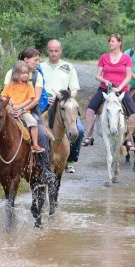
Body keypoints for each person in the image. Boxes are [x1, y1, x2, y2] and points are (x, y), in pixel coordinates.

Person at [0, 47, 54, 182]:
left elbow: (35, 99)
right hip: (10, 109)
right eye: (35, 60)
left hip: (30, 109)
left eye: (38, 60)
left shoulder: (37, 76)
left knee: (42, 133)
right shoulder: (10, 74)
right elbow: (5, 96)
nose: (37, 63)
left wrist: (22, 110)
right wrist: (11, 109)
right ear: (26, 60)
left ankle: (44, 167)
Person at [82, 34, 135, 149]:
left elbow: (128, 77)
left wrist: (119, 88)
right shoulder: (104, 57)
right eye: (109, 41)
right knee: (89, 110)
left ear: (119, 43)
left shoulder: (126, 58)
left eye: (112, 41)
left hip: (122, 89)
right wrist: (105, 81)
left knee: (133, 114)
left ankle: (128, 138)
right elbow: (98, 76)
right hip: (105, 88)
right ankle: (89, 136)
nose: (110, 43)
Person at [40, 39, 83, 173]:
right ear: (47, 51)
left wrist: (64, 99)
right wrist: (45, 98)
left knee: (79, 130)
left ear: (61, 51)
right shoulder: (40, 66)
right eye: (51, 51)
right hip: (44, 104)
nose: (53, 53)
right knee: (38, 129)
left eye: (56, 51)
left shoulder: (69, 67)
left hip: (63, 105)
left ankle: (70, 159)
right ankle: (40, 160)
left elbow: (75, 89)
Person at [0, 61, 45, 154]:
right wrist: (8, 100)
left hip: (23, 111)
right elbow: (2, 96)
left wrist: (20, 107)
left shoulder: (28, 86)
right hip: (10, 110)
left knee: (33, 123)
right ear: (16, 74)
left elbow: (30, 99)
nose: (25, 75)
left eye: (26, 73)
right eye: (23, 73)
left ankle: (35, 144)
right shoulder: (10, 85)